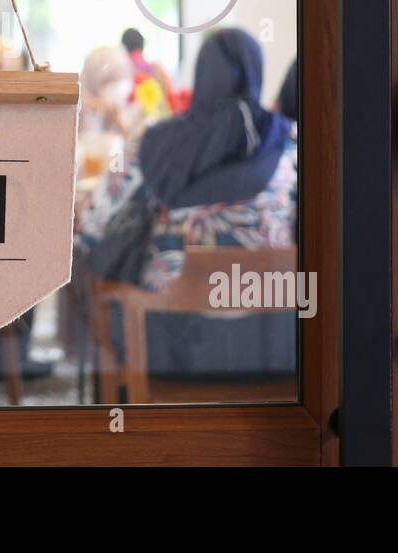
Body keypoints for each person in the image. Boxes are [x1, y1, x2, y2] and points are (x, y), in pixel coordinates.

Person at [84, 28, 298, 378]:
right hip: (274, 349)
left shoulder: (155, 143)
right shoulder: (289, 142)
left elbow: (93, 223)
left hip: (168, 347)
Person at [120, 27, 185, 115]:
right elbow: (172, 100)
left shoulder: (121, 72)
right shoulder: (157, 69)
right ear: (142, 46)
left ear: (123, 48)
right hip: (158, 122)